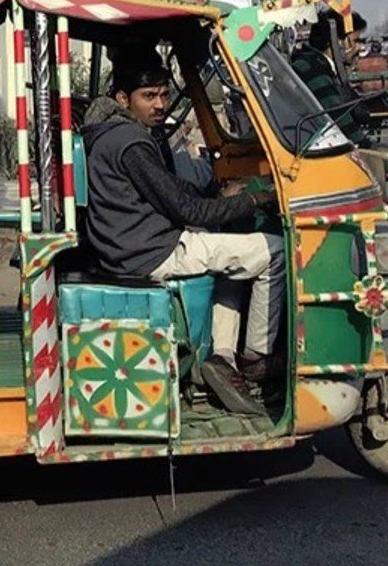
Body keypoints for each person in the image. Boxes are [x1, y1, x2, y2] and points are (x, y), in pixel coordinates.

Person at [81, 62, 283, 416]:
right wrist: (253, 199)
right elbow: (189, 211)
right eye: (149, 97)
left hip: (131, 244)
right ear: (123, 98)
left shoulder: (112, 133)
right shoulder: (131, 143)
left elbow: (170, 192)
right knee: (275, 250)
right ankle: (256, 356)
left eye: (164, 94)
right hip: (150, 251)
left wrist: (217, 198)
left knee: (232, 249)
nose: (159, 105)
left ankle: (221, 356)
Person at [290, 10, 370, 146]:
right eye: (354, 41)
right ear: (336, 42)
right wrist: (366, 147)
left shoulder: (318, 64)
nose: (358, 48)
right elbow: (337, 115)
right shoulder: (313, 69)